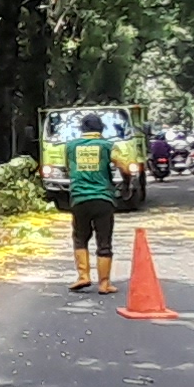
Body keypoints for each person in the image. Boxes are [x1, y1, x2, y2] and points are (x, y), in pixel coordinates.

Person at [64, 112, 119, 293]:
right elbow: (125, 165)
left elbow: (67, 167)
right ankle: (104, 284)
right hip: (103, 198)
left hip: (79, 198)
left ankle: (83, 276)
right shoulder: (107, 146)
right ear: (101, 128)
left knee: (80, 238)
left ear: (82, 129)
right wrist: (124, 180)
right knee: (104, 241)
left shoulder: (71, 146)